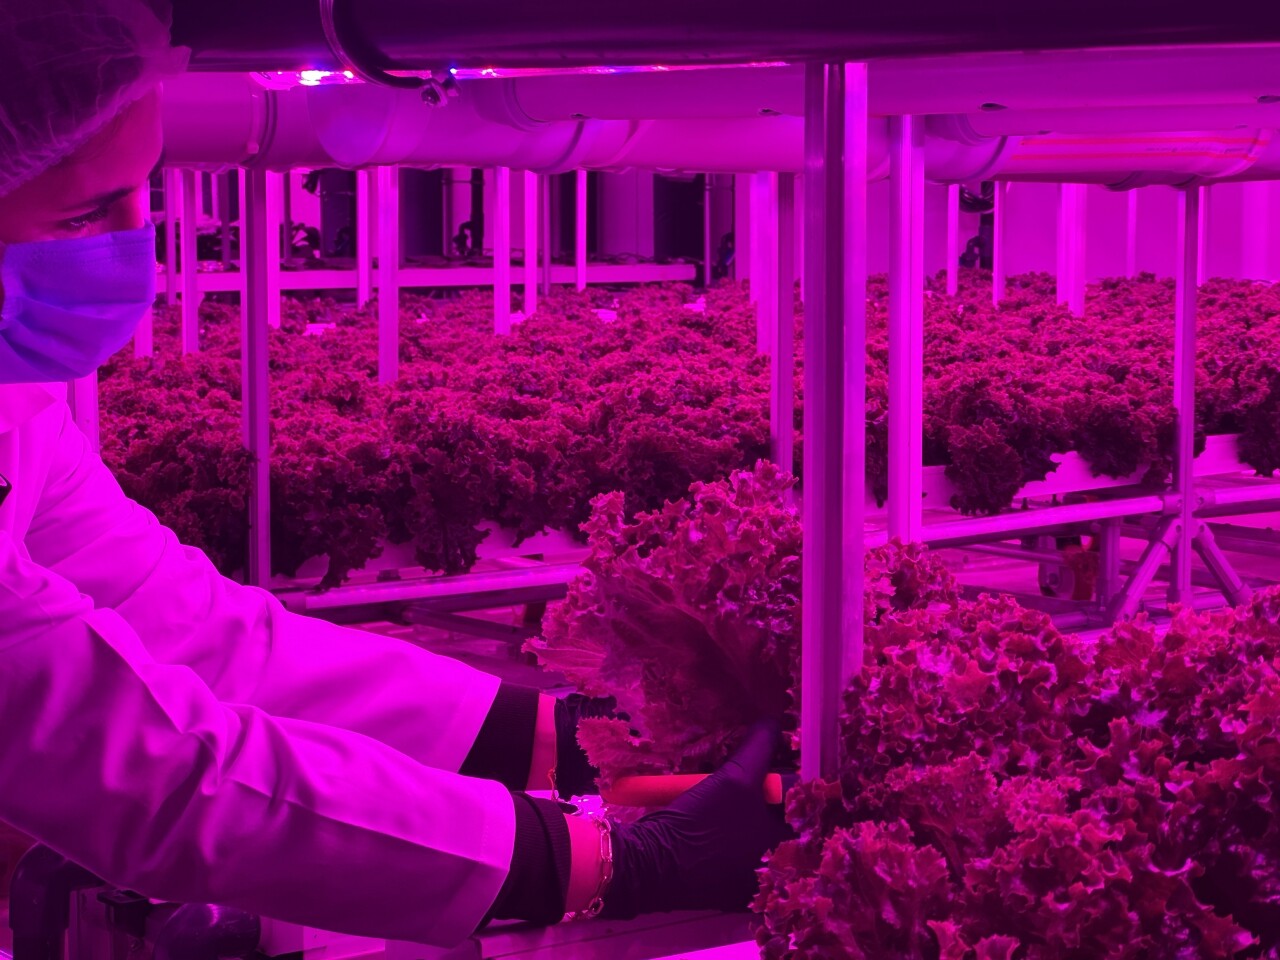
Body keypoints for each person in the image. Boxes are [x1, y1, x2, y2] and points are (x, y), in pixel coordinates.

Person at [0, 0, 787, 948]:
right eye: (85, 214)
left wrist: (569, 738)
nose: (136, 246)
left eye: (143, 194)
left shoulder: (19, 409)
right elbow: (134, 766)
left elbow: (195, 628)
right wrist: (603, 862)